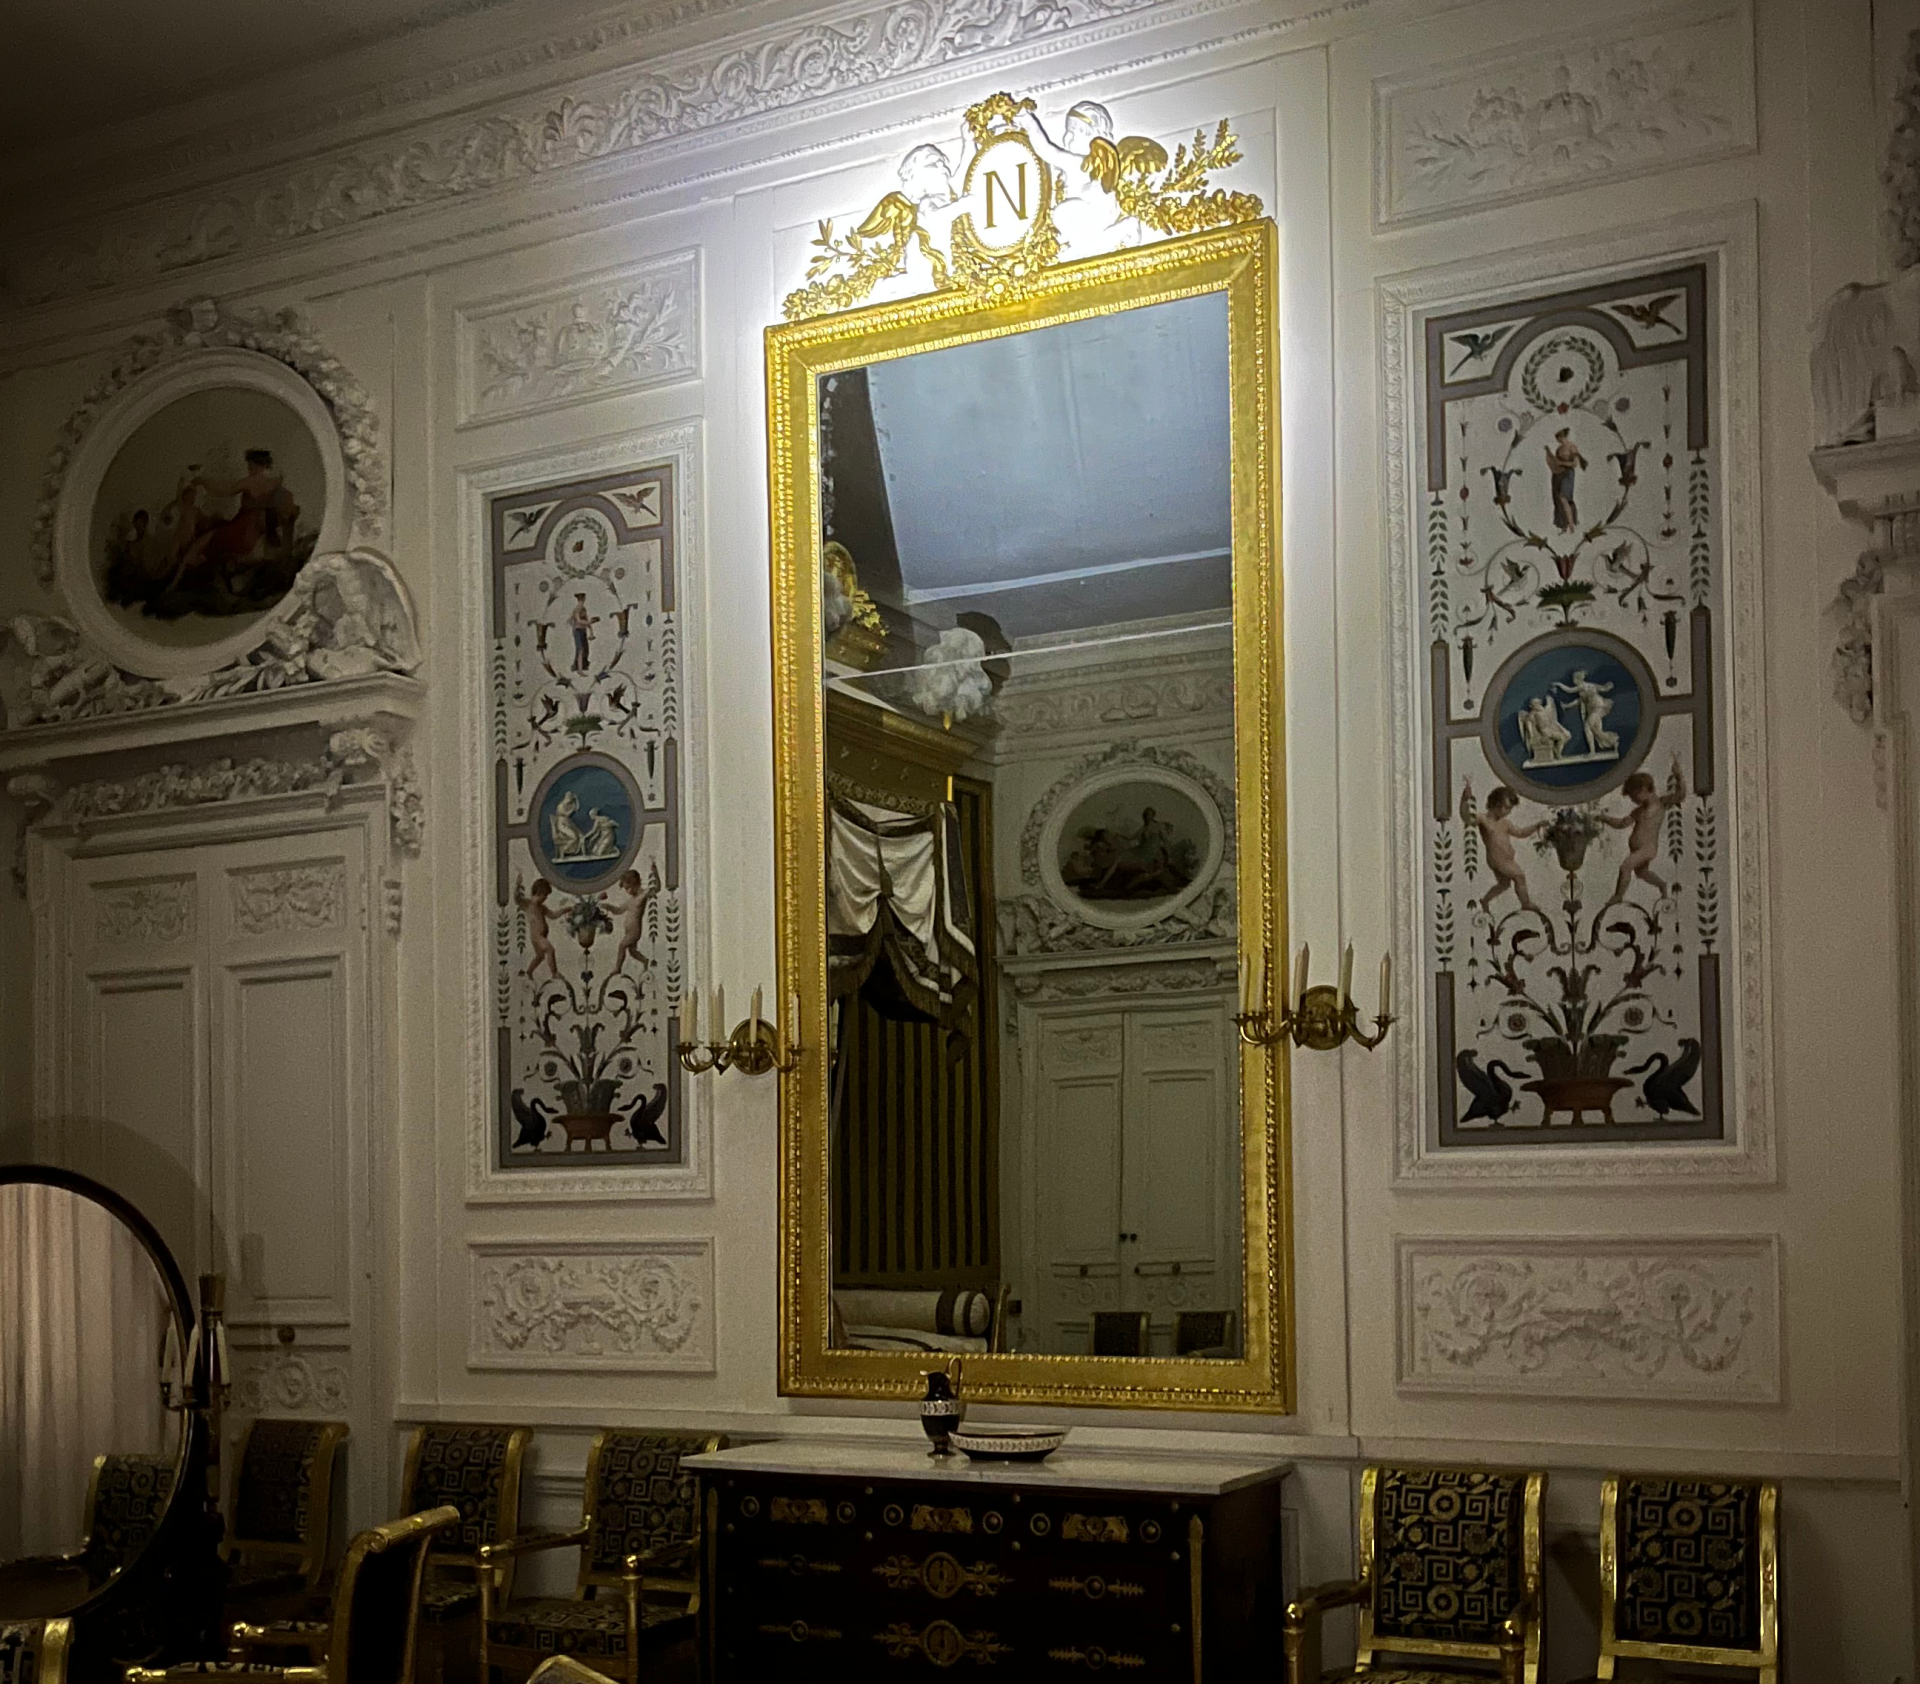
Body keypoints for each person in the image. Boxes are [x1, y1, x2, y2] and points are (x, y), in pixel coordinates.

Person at [1602, 759, 1687, 907]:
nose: (1633, 800)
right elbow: (1622, 824)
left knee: (1625, 867)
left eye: (1633, 795)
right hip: (1638, 849)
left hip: (1647, 848)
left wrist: (1678, 775)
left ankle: (1618, 896)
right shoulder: (1638, 811)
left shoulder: (1661, 803)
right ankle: (1662, 885)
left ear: (1643, 789)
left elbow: (1680, 796)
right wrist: (1605, 818)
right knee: (1641, 873)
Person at [1467, 781, 1545, 913]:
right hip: (1498, 859)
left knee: (1503, 884)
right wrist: (1467, 798)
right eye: (1507, 808)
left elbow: (1520, 833)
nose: (1508, 812)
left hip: (1505, 859)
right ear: (1496, 804)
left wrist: (1536, 826)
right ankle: (1526, 903)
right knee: (1519, 876)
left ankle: (1485, 900)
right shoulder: (1484, 819)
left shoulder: (1505, 823)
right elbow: (1470, 816)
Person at [611, 867, 657, 974]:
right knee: (632, 951)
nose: (627, 891)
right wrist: (608, 906)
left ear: (634, 883)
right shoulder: (631, 900)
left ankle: (618, 968)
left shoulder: (642, 895)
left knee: (622, 946)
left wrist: (655, 873)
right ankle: (645, 961)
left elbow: (657, 888)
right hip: (629, 931)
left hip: (634, 931)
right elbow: (618, 910)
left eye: (628, 888)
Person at [516, 879, 560, 981]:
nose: (546, 898)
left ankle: (529, 972)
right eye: (545, 895)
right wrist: (518, 885)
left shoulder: (541, 907)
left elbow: (553, 915)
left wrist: (564, 910)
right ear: (539, 892)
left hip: (541, 936)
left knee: (540, 956)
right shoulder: (528, 904)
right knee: (550, 950)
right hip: (537, 936)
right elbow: (517, 899)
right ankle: (554, 973)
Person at [1544, 428, 1586, 533]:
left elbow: (1575, 463)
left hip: (1568, 474)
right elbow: (1555, 463)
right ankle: (1563, 524)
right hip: (1558, 475)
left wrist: (1562, 463)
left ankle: (1571, 524)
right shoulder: (1559, 449)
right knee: (1558, 500)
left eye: (1559, 438)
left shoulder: (1572, 447)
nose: (1558, 440)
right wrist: (1549, 454)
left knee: (1564, 498)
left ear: (1562, 437)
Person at [568, 593, 598, 675]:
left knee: (585, 650)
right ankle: (579, 670)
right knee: (580, 650)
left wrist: (591, 631)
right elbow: (579, 620)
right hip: (578, 631)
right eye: (582, 599)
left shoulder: (583, 609)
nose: (582, 601)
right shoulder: (577, 609)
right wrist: (589, 622)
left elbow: (586, 620)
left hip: (583, 631)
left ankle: (582, 666)